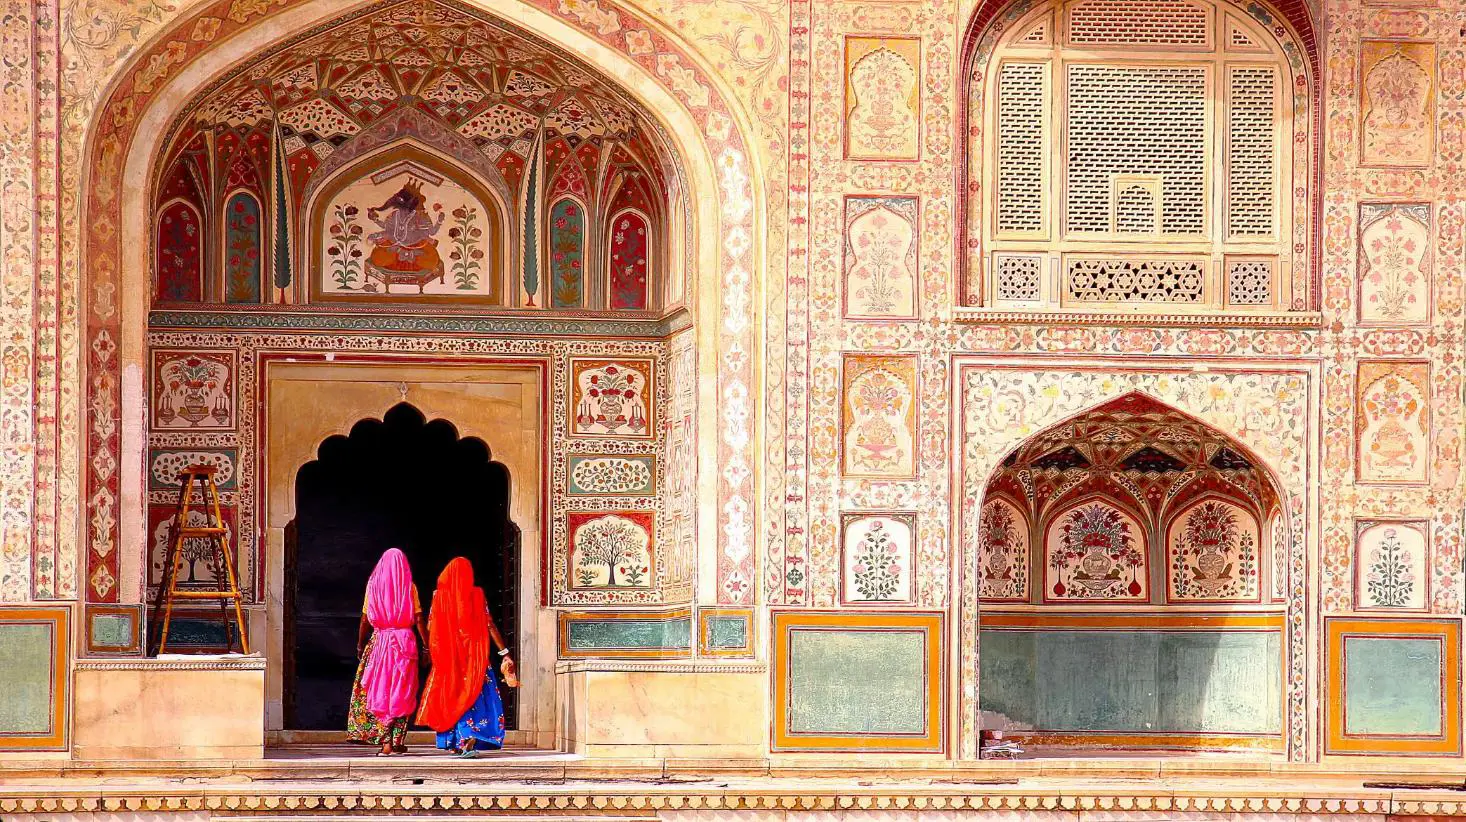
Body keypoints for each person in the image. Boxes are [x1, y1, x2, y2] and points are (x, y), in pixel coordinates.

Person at [417, 557, 517, 758]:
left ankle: (456, 741)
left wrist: (429, 651)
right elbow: (489, 625)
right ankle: (468, 738)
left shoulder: (439, 597)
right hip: (474, 656)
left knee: (452, 694)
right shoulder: (477, 595)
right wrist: (504, 653)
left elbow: (431, 626)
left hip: (449, 657)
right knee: (474, 696)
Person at [346, 548, 427, 755]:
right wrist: (426, 645)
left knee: (380, 690)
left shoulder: (373, 587)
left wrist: (359, 644)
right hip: (404, 644)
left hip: (379, 643)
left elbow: (365, 619)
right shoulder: (410, 587)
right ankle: (396, 740)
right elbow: (418, 618)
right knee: (402, 691)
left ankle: (385, 743)